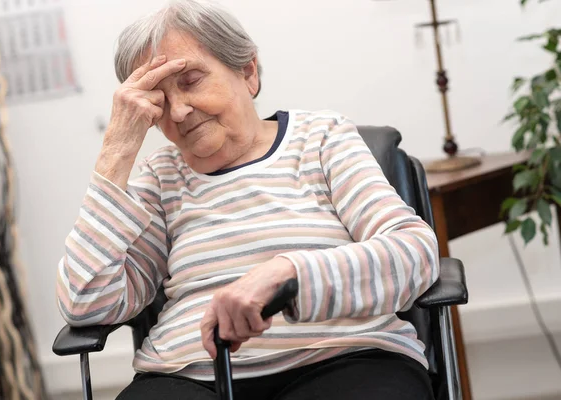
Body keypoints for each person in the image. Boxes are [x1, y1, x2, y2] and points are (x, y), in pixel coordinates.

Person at [56, 0, 440, 398]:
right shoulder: (159, 179)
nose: (181, 111)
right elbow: (88, 303)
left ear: (248, 72)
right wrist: (116, 152)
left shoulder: (323, 138)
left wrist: (286, 275)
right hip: (190, 376)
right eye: (159, 99)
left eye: (190, 81)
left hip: (344, 358)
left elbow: (414, 253)